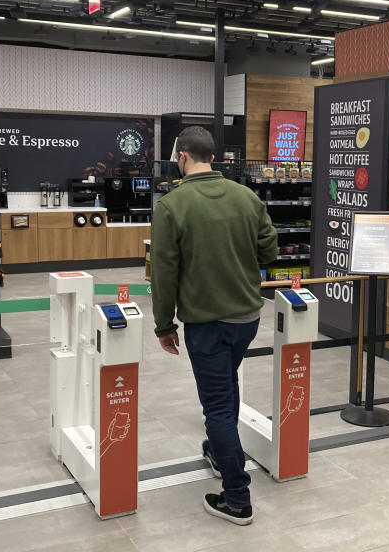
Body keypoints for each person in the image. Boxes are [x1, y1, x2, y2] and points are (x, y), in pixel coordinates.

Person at [150, 126, 278, 526]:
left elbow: (164, 273)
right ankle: (224, 453)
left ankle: (237, 497)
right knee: (229, 386)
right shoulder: (247, 197)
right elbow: (270, 250)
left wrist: (163, 325)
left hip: (206, 323)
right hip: (248, 318)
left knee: (217, 407)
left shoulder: (172, 205)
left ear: (183, 156)